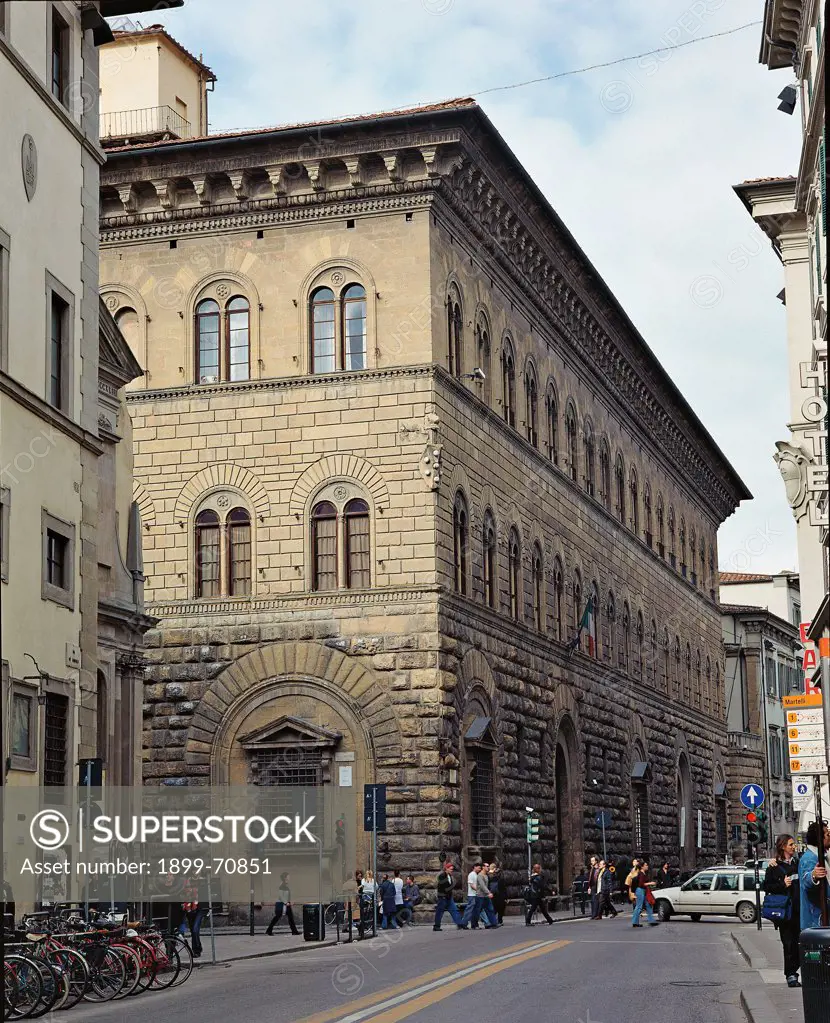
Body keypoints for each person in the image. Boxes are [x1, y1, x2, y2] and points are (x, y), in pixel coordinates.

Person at [764, 834, 801, 988]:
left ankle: (797, 969)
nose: (794, 847)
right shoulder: (773, 867)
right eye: (791, 845)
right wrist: (782, 885)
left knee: (801, 942)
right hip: (785, 913)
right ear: (783, 846)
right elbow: (767, 887)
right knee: (789, 943)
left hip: (799, 910)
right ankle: (791, 974)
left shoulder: (798, 863)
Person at [798, 820, 829, 931]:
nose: (829, 836)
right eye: (827, 834)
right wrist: (813, 876)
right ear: (819, 838)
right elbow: (806, 881)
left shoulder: (822, 856)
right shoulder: (810, 858)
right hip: (815, 920)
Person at [265, 871, 300, 937]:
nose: (289, 877)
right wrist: (286, 903)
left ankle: (294, 931)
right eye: (288, 876)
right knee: (277, 917)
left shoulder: (285, 885)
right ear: (285, 878)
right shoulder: (282, 885)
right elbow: (281, 896)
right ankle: (269, 930)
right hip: (282, 905)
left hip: (285, 904)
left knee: (290, 918)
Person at [434, 862, 464, 931]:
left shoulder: (449, 876)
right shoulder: (442, 876)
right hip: (442, 897)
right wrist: (452, 886)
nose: (452, 871)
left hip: (449, 897)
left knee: (454, 910)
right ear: (446, 869)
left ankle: (460, 924)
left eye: (452, 869)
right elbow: (445, 887)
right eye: (450, 869)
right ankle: (436, 926)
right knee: (440, 912)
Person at [631, 860, 659, 928]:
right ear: (642, 867)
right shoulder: (641, 874)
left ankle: (651, 921)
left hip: (643, 890)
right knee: (639, 907)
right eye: (646, 865)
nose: (647, 866)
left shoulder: (643, 873)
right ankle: (635, 922)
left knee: (648, 905)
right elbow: (641, 884)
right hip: (640, 890)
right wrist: (650, 883)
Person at [460, 864, 482, 929]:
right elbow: (471, 885)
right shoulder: (471, 874)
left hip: (476, 895)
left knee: (475, 910)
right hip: (472, 895)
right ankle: (464, 923)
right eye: (478, 868)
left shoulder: (476, 874)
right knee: (469, 910)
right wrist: (478, 890)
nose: (479, 869)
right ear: (474, 867)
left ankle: (474, 924)